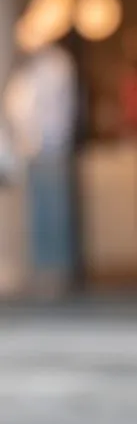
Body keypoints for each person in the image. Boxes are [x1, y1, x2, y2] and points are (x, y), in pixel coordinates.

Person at [1, 39, 77, 295]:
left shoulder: (56, 67)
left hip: (49, 151)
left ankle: (55, 275)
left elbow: (56, 112)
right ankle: (41, 273)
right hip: (31, 153)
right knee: (37, 217)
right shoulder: (25, 74)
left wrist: (51, 141)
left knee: (52, 215)